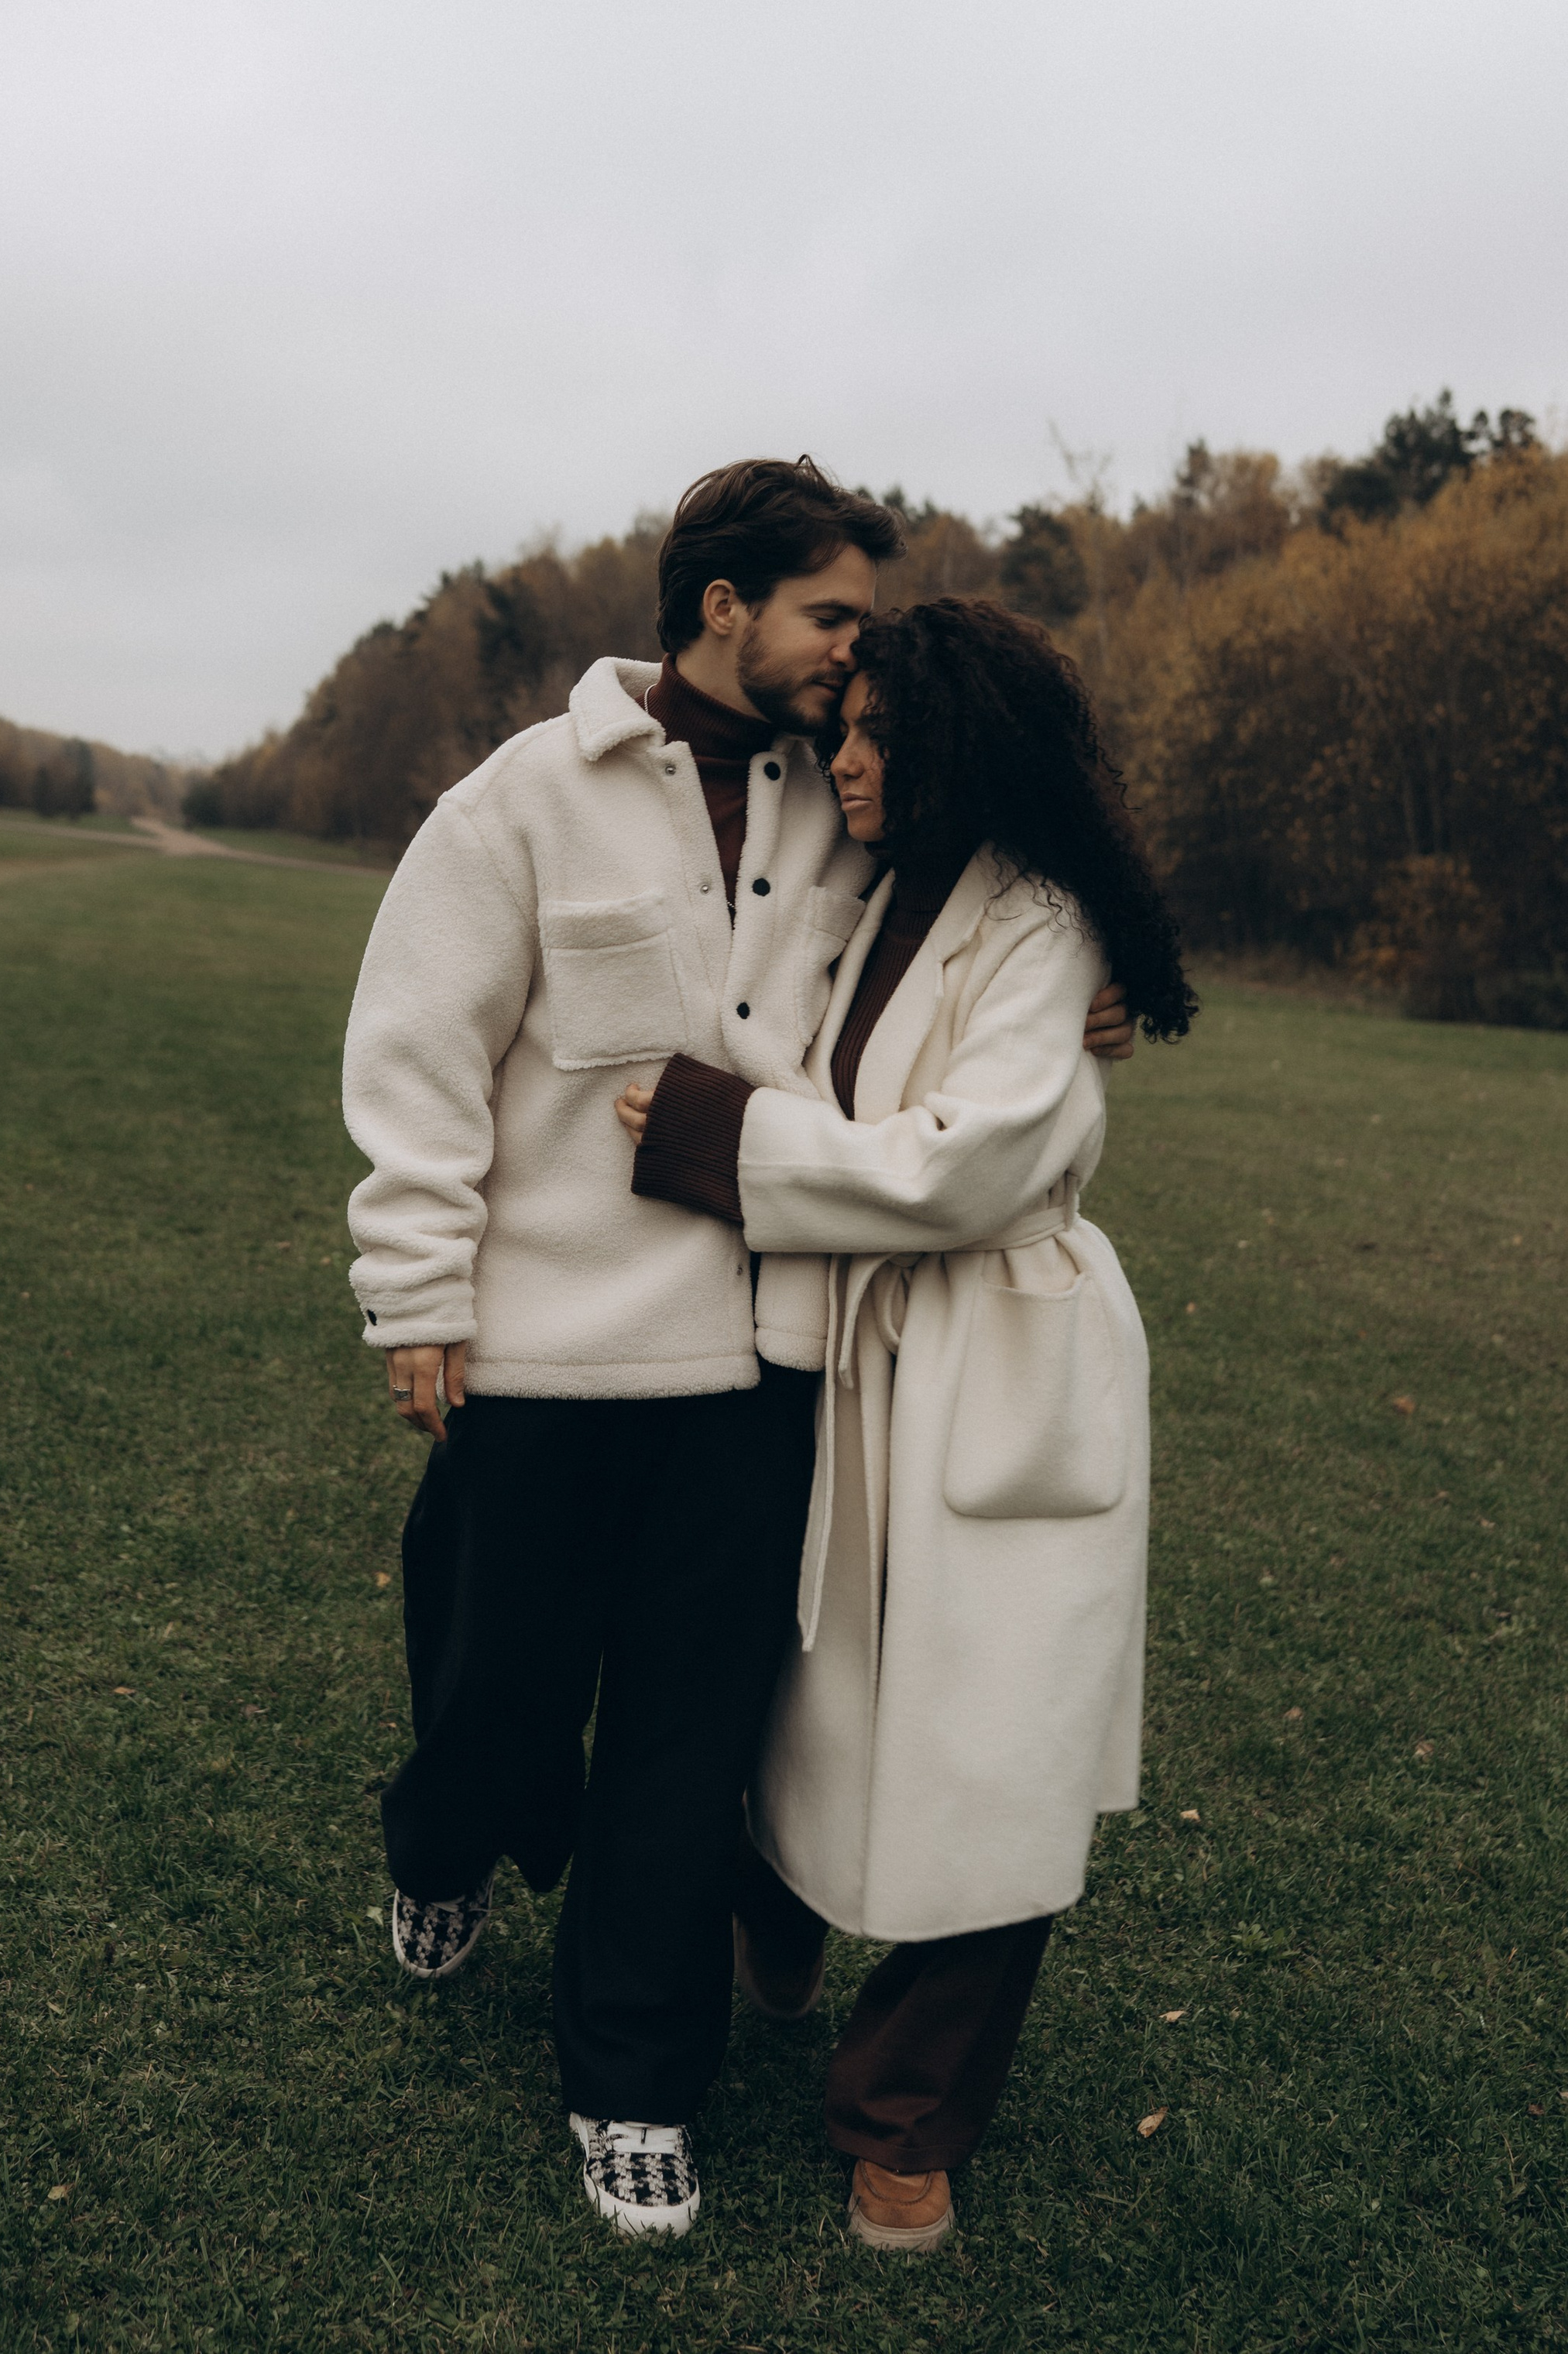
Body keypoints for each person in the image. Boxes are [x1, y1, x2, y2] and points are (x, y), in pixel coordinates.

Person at [343, 466, 1134, 2239]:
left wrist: (1091, 991)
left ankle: (631, 2084)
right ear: (722, 605)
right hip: (539, 1361)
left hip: (762, 1371)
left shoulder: (855, 799)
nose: (852, 649)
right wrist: (418, 1291)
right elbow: (413, 1050)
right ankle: (439, 1844)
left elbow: (991, 914)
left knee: (686, 1747)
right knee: (492, 1700)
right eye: (829, 614)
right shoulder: (518, 803)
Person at [618, 595, 1193, 2254]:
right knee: (808, 1689)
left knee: (995, 1745)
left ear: (960, 748)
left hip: (1002, 1359)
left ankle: (907, 2118)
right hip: (841, 1345)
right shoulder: (858, 883)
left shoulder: (1044, 919)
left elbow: (962, 1165)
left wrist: (715, 1138)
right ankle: (783, 1904)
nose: (844, 760)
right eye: (840, 730)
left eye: (875, 735)